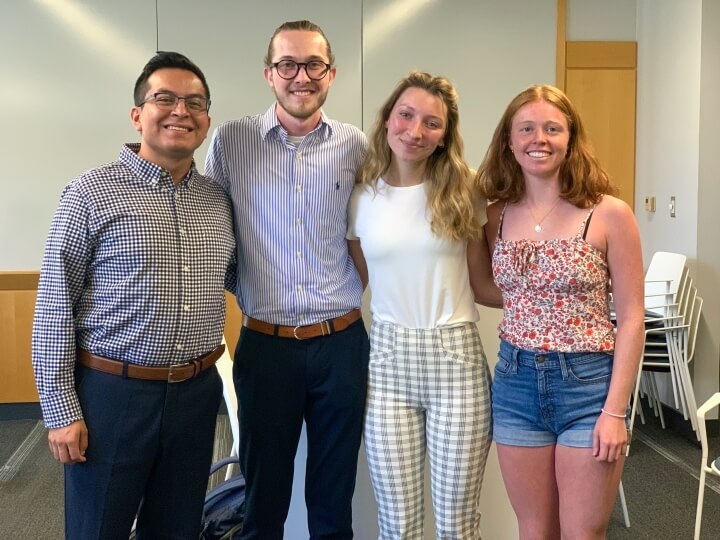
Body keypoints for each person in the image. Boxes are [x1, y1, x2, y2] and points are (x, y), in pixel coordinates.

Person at [31, 51, 236, 539]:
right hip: (112, 396)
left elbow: (237, 279)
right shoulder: (90, 192)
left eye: (195, 102)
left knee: (177, 528)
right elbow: (55, 305)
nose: (180, 111)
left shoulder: (217, 200)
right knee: (98, 528)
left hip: (195, 392)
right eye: (164, 98)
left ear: (207, 120)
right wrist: (60, 409)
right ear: (137, 113)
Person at [204, 20, 369, 539]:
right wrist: (247, 290)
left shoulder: (356, 146)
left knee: (333, 495)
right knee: (263, 501)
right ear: (269, 74)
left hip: (340, 345)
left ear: (331, 73)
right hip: (265, 347)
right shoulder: (231, 142)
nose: (302, 76)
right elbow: (213, 234)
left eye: (313, 64)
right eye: (288, 65)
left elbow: (369, 234)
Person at [476, 84, 645, 539]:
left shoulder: (609, 213)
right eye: (526, 128)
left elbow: (631, 318)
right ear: (509, 141)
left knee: (583, 532)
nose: (540, 138)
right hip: (516, 383)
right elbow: (484, 288)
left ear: (570, 138)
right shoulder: (494, 216)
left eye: (553, 128)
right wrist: (538, 303)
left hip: (588, 388)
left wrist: (615, 411)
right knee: (534, 529)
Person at [347, 71, 501, 539]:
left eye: (431, 123)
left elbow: (482, 284)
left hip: (456, 361)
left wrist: (551, 305)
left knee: (458, 523)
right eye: (406, 115)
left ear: (445, 135)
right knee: (398, 524)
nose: (415, 132)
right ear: (388, 118)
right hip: (389, 362)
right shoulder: (360, 195)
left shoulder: (466, 191)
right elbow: (355, 282)